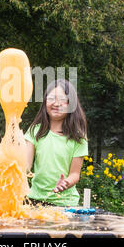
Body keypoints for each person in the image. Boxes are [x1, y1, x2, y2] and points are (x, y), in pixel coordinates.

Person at [24, 79, 88, 207]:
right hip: (34, 200)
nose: (56, 103)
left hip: (65, 204)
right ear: (45, 102)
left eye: (62, 100)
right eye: (51, 98)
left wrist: (66, 183)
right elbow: (25, 166)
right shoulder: (35, 131)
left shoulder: (78, 138)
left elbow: (75, 174)